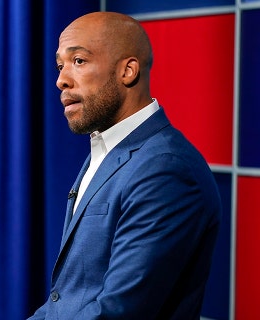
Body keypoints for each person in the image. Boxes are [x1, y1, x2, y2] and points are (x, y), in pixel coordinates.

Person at [28, 12, 221, 319]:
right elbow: (68, 301)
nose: (61, 79)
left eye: (78, 60)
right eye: (60, 65)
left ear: (128, 71)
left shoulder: (166, 169)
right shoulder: (104, 148)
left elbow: (118, 311)